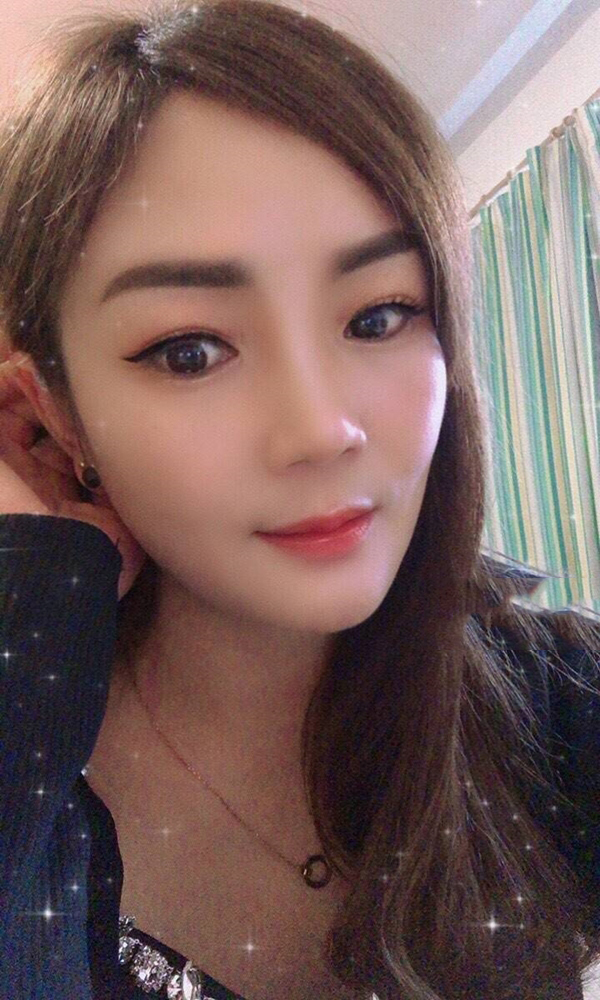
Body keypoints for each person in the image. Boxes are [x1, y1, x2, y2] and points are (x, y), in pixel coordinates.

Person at [0, 1, 598, 998]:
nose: (322, 430)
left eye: (379, 316)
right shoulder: (28, 745)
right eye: (190, 351)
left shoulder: (554, 703)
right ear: (49, 417)